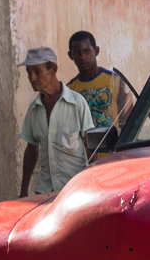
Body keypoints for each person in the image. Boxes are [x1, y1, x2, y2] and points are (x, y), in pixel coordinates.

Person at [18, 47, 95, 197]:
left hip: (75, 189)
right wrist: (23, 190)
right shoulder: (34, 110)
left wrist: (92, 183)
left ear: (53, 69)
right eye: (28, 72)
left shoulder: (77, 103)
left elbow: (91, 145)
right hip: (45, 191)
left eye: (37, 72)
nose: (31, 78)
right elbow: (31, 150)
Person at [66, 30, 133, 129]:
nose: (82, 57)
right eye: (77, 53)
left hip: (113, 143)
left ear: (96, 51)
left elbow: (127, 121)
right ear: (71, 55)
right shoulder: (68, 90)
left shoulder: (115, 81)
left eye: (87, 51)